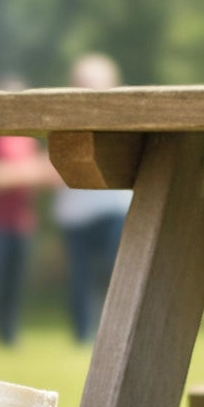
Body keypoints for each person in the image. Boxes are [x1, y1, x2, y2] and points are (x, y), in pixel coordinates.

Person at [0, 78, 57, 345]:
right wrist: (27, 172)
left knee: (14, 284)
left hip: (21, 222)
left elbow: (49, 172)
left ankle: (8, 335)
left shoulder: (25, 137)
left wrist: (19, 173)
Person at [53, 53, 133, 343]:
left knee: (119, 276)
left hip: (114, 209)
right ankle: (82, 336)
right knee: (80, 282)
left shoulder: (126, 113)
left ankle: (120, 333)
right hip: (75, 214)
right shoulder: (59, 114)